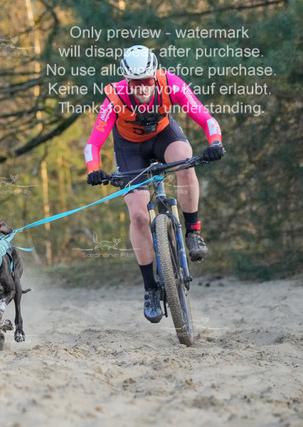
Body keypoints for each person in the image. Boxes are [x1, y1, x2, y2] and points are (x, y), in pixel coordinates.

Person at [84, 45, 225, 323]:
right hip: (129, 150)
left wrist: (215, 144)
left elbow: (206, 118)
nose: (142, 88)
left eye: (147, 81)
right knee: (138, 216)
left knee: (185, 164)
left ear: (154, 76)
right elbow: (93, 144)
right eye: (135, 82)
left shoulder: (171, 84)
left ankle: (193, 232)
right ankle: (150, 288)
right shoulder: (115, 97)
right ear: (127, 80)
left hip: (164, 137)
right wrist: (94, 170)